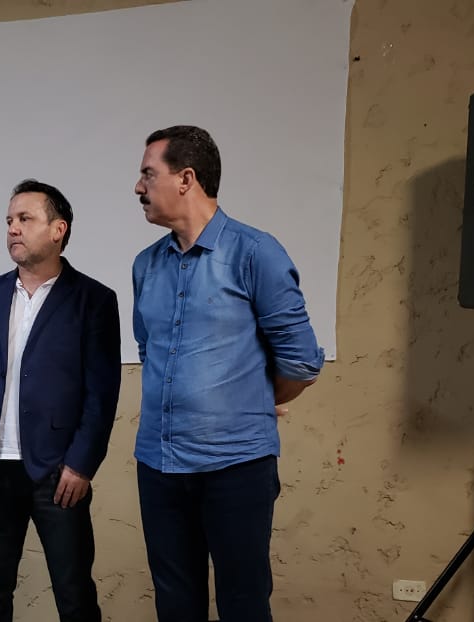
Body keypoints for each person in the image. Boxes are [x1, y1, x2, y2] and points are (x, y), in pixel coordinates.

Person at [130, 126, 324, 621]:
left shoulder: (256, 252)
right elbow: (151, 351)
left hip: (236, 467)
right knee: (175, 604)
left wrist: (251, 400)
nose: (138, 187)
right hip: (159, 464)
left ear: (186, 179)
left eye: (148, 174)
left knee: (243, 604)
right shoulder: (145, 266)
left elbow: (301, 361)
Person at [0, 179, 121, 622]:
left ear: (58, 229)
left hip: (58, 471)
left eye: (25, 218)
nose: (13, 229)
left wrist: (82, 464)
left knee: (74, 594)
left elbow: (101, 392)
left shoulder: (94, 300)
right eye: (9, 220)